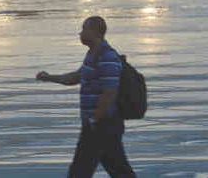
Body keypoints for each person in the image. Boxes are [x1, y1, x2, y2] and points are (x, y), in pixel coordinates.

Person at [36, 16, 136, 178]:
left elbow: (109, 93)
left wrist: (95, 119)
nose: (80, 33)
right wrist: (49, 77)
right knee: (117, 168)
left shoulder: (107, 57)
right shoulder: (93, 54)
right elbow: (75, 77)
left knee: (80, 171)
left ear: (95, 31)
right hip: (98, 124)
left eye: (84, 29)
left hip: (102, 124)